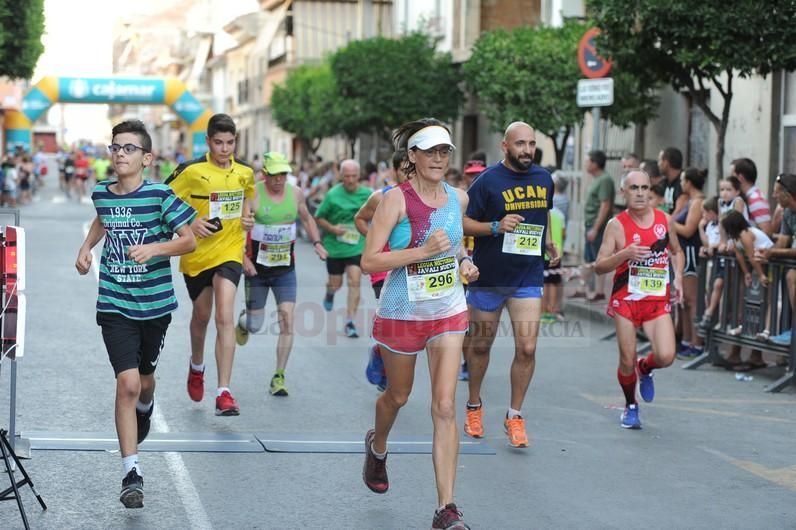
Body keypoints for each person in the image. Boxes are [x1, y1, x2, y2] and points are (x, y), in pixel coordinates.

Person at [360, 118, 477, 530]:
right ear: (412, 156)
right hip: (402, 312)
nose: (438, 158)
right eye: (430, 151)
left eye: (444, 151)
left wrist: (464, 262)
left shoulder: (457, 199)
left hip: (448, 311)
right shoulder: (394, 200)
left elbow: (455, 244)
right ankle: (378, 445)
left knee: (445, 406)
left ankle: (446, 507)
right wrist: (421, 251)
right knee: (397, 396)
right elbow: (370, 261)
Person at [75, 120, 197, 508]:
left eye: (128, 148)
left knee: (145, 382)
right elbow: (103, 218)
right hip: (114, 302)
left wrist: (155, 249)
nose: (119, 154)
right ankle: (132, 473)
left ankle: (147, 404)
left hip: (155, 306)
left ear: (146, 158)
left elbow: (189, 240)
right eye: (115, 147)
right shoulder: (101, 193)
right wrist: (86, 247)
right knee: (126, 384)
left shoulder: (160, 195)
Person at [461, 121, 559, 448]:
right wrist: (495, 225)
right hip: (489, 277)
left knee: (527, 347)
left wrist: (549, 243)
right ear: (505, 146)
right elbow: (464, 223)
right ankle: (474, 404)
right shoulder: (487, 181)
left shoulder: (544, 179)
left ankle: (515, 415)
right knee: (479, 347)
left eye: (531, 144)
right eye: (520, 144)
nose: (527, 150)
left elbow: (542, 214)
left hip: (527, 276)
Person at [165, 113, 255, 416]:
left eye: (230, 143)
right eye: (219, 142)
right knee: (201, 316)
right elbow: (163, 199)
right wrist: (191, 221)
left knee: (225, 316)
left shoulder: (245, 172)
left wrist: (248, 216)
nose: (225, 149)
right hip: (197, 254)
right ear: (208, 141)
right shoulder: (190, 171)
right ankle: (196, 365)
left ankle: (224, 391)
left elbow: (248, 198)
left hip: (230, 251)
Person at [594, 170, 684, 429]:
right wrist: (625, 254)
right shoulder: (616, 225)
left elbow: (677, 252)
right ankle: (630, 405)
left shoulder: (664, 220)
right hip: (627, 299)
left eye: (645, 187)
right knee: (626, 358)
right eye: (634, 188)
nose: (641, 193)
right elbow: (600, 266)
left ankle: (645, 368)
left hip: (656, 299)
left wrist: (677, 276)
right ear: (624, 192)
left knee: (666, 355)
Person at [234, 151, 328, 396]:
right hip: (257, 269)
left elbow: (307, 219)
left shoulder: (295, 193)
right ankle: (244, 321)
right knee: (255, 325)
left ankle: (279, 375)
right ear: (264, 174)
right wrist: (244, 258)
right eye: (274, 175)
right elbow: (239, 229)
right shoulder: (253, 193)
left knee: (288, 320)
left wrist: (317, 242)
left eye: (283, 174)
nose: (279, 179)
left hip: (286, 269)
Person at [355, 149, 410, 392]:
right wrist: (375, 240)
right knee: (393, 319)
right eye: (405, 170)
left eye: (413, 169)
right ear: (394, 171)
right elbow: (360, 218)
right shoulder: (381, 197)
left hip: (413, 268)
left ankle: (383, 350)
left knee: (406, 322)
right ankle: (384, 359)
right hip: (384, 270)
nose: (410, 175)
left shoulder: (426, 198)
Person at [314, 159, 372, 338]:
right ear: (341, 176)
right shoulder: (332, 195)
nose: (351, 180)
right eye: (347, 176)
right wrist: (332, 229)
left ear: (359, 175)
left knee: (354, 280)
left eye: (354, 176)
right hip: (335, 246)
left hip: (357, 245)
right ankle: (330, 292)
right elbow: (319, 217)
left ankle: (350, 321)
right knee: (336, 283)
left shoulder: (367, 194)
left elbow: (380, 212)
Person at [672, 168, 707, 359]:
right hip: (682, 253)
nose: (681, 183)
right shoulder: (688, 201)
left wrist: (669, 222)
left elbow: (688, 230)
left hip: (691, 252)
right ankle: (686, 340)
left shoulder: (698, 202)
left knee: (692, 299)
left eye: (683, 180)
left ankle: (697, 342)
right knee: (683, 299)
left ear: (689, 182)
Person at [572, 150, 614, 301]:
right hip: (590, 224)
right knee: (588, 258)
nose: (585, 164)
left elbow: (605, 205)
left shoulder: (605, 180)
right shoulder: (596, 179)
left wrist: (596, 228)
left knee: (599, 258)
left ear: (595, 164)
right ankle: (582, 288)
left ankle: (599, 291)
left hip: (598, 227)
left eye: (587, 161)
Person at [730, 157, 772, 236]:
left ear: (740, 178)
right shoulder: (742, 198)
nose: (729, 180)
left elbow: (766, 231)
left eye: (732, 175)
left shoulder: (755, 199)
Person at [658, 147, 687, 217]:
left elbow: (679, 210)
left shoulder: (683, 183)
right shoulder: (663, 183)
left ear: (666, 163)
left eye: (660, 160)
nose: (658, 164)